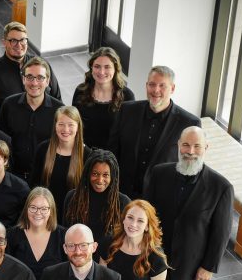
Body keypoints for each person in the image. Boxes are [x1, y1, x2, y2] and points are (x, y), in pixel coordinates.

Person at [143, 126, 233, 280]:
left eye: (196, 147)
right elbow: (148, 215)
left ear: (206, 149)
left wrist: (209, 266)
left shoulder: (220, 186)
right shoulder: (160, 174)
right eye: (186, 146)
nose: (190, 152)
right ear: (178, 146)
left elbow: (221, 232)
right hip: (161, 257)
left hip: (194, 264)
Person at [108, 65, 201, 199]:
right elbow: (112, 150)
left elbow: (189, 167)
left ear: (172, 88)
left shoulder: (189, 123)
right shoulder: (126, 110)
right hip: (122, 192)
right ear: (146, 86)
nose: (156, 90)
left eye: (162, 86)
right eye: (152, 84)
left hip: (161, 196)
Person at [0, 22, 61, 125]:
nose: (19, 45)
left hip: (44, 129)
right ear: (4, 42)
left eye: (23, 40)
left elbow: (57, 98)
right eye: (13, 41)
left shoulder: (42, 66)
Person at [0, 57, 63, 180]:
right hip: (14, 175)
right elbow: (2, 141)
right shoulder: (9, 104)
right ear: (23, 79)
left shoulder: (58, 110)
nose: (34, 83)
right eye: (29, 77)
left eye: (40, 77)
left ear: (48, 81)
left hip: (45, 177)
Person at [63, 149, 130, 259]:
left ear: (113, 176)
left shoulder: (122, 202)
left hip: (109, 262)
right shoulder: (72, 197)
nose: (100, 180)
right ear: (87, 173)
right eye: (95, 174)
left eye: (105, 175)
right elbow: (65, 234)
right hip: (77, 259)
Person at [31, 105, 92, 220]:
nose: (65, 129)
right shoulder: (43, 149)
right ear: (55, 126)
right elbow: (34, 185)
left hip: (73, 216)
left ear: (78, 127)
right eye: (61, 124)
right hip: (45, 215)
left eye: (70, 125)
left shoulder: (88, 155)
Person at [72, 47, 135, 149]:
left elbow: (128, 134)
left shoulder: (127, 96)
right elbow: (74, 125)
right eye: (97, 66)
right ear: (91, 68)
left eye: (107, 67)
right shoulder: (80, 91)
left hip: (113, 156)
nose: (101, 72)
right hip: (84, 152)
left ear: (115, 69)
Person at [6, 187, 66, 280]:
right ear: (26, 209)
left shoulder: (63, 236)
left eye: (44, 209)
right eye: (33, 207)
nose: (38, 213)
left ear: (51, 211)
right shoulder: (11, 235)